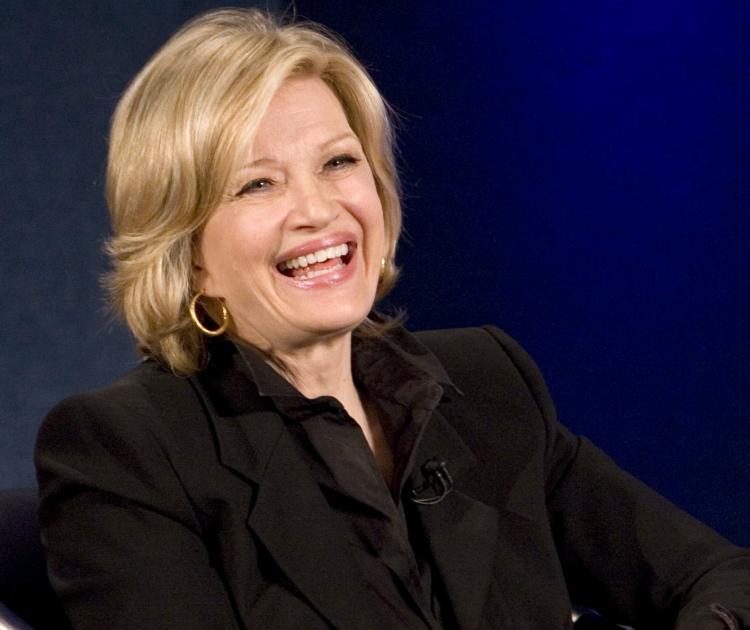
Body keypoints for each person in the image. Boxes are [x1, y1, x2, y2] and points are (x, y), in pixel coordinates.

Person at [35, 8, 750, 630]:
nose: (319, 211)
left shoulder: (487, 384)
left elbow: (718, 580)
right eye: (258, 183)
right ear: (184, 247)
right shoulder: (128, 451)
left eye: (340, 162)